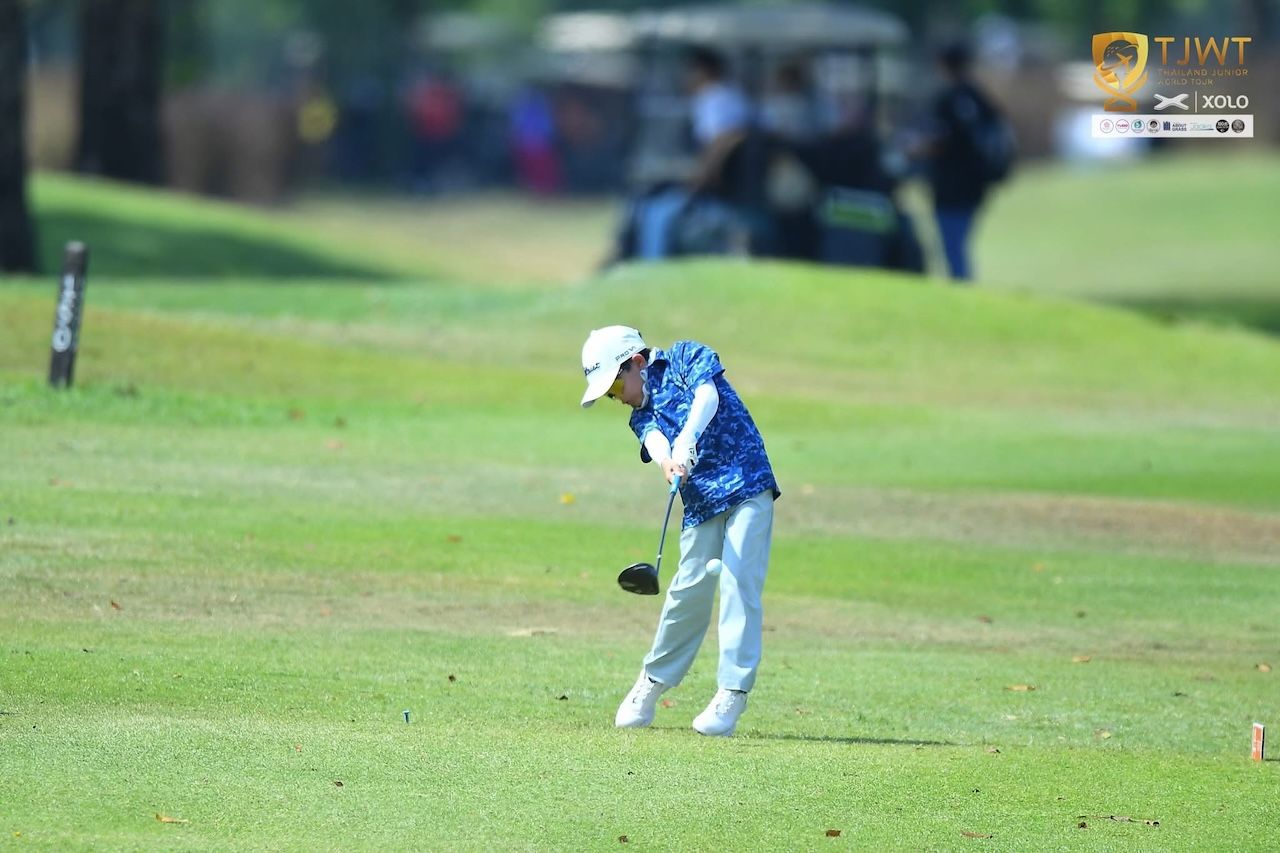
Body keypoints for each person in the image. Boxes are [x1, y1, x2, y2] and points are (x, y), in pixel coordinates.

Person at [580, 325, 780, 737]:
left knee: (738, 581)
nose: (617, 397)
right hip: (701, 500)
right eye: (609, 394)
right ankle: (652, 683)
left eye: (614, 385)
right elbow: (654, 438)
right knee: (686, 591)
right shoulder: (640, 414)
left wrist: (688, 438)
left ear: (637, 363)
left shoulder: (687, 356)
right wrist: (668, 462)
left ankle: (732, 692)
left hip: (747, 482)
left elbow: (708, 396)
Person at [635, 47, 752, 259]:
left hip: (722, 193)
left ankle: (652, 265)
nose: (685, 77)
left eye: (689, 70)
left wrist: (700, 178)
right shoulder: (733, 96)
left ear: (702, 71)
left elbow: (722, 139)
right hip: (739, 190)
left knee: (657, 213)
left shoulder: (714, 98)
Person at [916, 42, 1013, 281]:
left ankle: (961, 287)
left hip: (950, 186)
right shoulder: (978, 97)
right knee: (957, 243)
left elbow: (941, 141)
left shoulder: (947, 99)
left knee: (952, 246)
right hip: (977, 185)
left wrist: (915, 150)